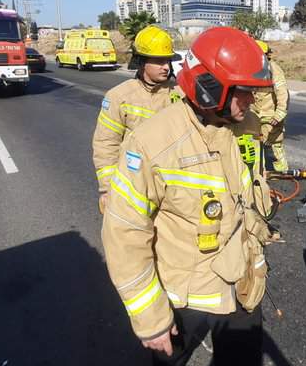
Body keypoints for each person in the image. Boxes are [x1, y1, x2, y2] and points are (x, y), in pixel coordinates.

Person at [101, 27, 278, 366]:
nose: (251, 100)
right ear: (210, 90)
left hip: (241, 280)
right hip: (184, 296)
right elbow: (125, 235)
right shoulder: (152, 143)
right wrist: (151, 319)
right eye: (244, 92)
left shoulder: (244, 124)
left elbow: (250, 188)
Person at [92, 25, 181, 213]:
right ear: (141, 61)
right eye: (159, 61)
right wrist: (108, 189)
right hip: (133, 185)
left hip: (173, 188)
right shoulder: (119, 96)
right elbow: (106, 144)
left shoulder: (179, 93)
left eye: (168, 60)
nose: (166, 66)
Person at [252, 40, 289, 172]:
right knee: (255, 143)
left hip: (270, 114)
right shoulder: (250, 67)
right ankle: (259, 171)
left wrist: (280, 112)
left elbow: (282, 92)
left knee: (275, 143)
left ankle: (282, 169)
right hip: (253, 113)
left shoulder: (274, 69)